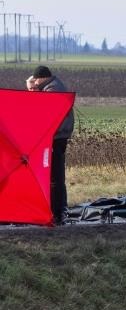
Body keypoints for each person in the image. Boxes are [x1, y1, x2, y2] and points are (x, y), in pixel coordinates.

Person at [32, 66, 75, 225]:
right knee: (55, 175)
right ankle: (59, 209)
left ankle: (57, 212)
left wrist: (33, 91)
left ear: (42, 77)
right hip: (58, 137)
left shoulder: (52, 90)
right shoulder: (53, 86)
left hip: (56, 138)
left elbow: (41, 110)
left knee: (55, 176)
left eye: (36, 80)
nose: (35, 82)